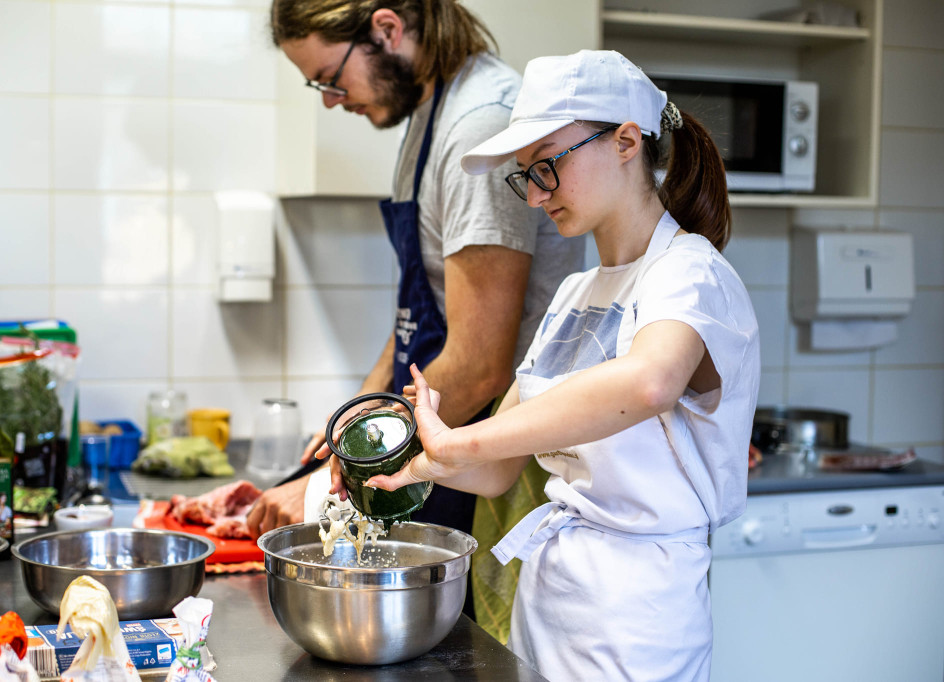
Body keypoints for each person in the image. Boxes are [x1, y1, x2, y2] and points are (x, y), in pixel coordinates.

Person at [361, 50, 762, 680]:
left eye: (548, 164)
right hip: (550, 596)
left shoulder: (692, 274)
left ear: (627, 141)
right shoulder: (577, 294)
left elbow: (649, 381)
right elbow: (496, 471)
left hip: (639, 609)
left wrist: (463, 440)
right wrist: (412, 461)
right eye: (526, 176)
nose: (538, 193)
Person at [246, 1, 584, 543]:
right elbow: (419, 311)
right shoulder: (430, 114)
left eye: (331, 79)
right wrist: (346, 430)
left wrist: (345, 466)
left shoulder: (478, 125)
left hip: (487, 447)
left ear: (387, 29)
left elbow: (479, 367)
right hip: (436, 434)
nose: (332, 102)